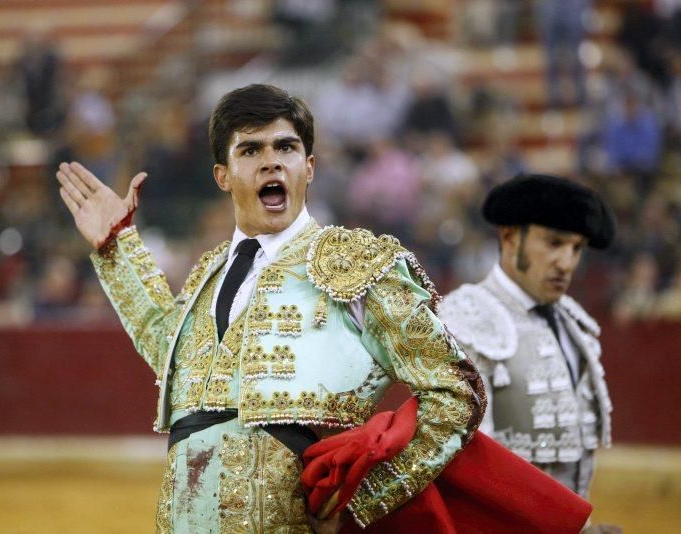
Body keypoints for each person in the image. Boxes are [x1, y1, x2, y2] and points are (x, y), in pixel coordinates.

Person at [56, 84, 485, 532]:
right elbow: (172, 354)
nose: (272, 161)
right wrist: (116, 247)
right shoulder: (211, 272)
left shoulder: (356, 265)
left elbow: (455, 393)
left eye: (286, 147)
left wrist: (361, 499)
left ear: (309, 167)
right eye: (251, 150)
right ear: (223, 175)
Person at [440, 174, 616, 499]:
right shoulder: (467, 317)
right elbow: (468, 459)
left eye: (577, 248)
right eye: (554, 243)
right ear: (509, 238)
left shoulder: (572, 321)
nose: (567, 263)